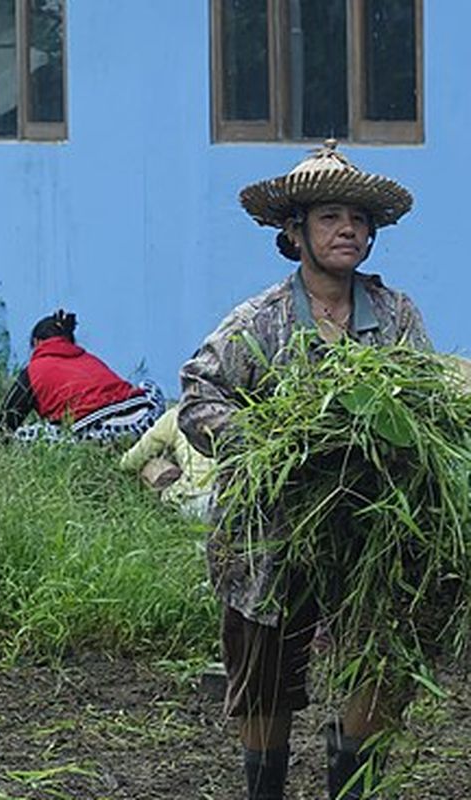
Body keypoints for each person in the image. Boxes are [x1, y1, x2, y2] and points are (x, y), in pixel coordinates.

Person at [178, 141, 430, 800]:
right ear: (295, 233)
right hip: (271, 534)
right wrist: (264, 442)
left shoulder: (395, 316)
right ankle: (267, 788)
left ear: (372, 234)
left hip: (372, 529)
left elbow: (424, 405)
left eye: (356, 218)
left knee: (380, 661)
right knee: (266, 681)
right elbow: (199, 396)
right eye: (328, 218)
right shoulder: (258, 322)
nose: (346, 229)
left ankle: (350, 781)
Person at [0, 310, 164, 444]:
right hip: (143, 418)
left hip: (96, 431)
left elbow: (4, 426)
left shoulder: (33, 371)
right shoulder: (89, 358)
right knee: (148, 386)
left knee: (25, 436)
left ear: (37, 342)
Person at [118, 405, 215, 521]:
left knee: (153, 465)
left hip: (199, 501)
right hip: (234, 494)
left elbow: (130, 462)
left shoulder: (176, 415)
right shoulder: (236, 410)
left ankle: (167, 501)